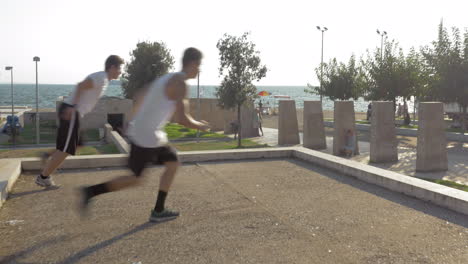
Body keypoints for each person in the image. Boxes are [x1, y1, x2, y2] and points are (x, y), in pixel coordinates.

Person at [80, 48, 210, 222]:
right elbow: (182, 119)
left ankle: (158, 209)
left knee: (171, 163)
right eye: (199, 65)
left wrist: (131, 122)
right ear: (193, 63)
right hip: (148, 137)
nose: (199, 70)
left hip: (147, 133)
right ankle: (91, 192)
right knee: (136, 178)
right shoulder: (180, 83)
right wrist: (200, 126)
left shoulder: (165, 78)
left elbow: (140, 95)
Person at [35, 55, 124, 188]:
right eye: (120, 68)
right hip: (72, 111)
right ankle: (43, 177)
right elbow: (81, 86)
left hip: (74, 112)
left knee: (77, 144)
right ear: (112, 67)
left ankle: (47, 155)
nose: (121, 72)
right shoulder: (101, 77)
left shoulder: (104, 79)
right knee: (66, 150)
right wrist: (73, 107)